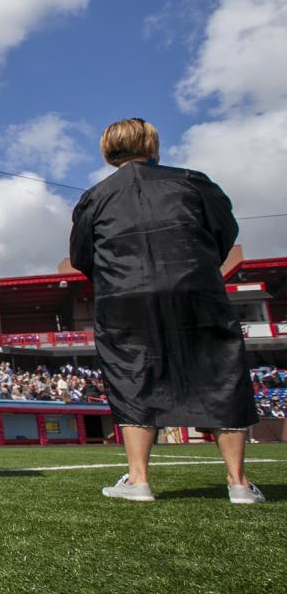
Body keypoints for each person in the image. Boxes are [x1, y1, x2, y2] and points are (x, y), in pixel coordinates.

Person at [70, 117, 264, 504]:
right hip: (194, 284)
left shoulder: (95, 196)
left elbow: (82, 256)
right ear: (153, 146)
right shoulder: (193, 182)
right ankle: (238, 483)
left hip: (125, 294)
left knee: (131, 373)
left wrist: (119, 277)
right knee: (219, 369)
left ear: (108, 152)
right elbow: (224, 232)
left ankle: (139, 480)